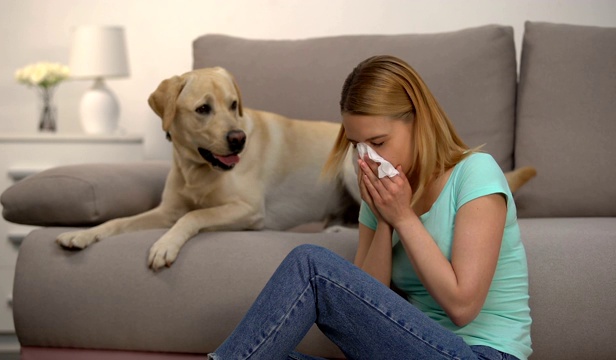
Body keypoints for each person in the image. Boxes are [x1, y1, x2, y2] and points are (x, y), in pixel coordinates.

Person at [208, 55, 532, 360]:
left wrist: (403, 217)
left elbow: (463, 307)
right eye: (356, 146)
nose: (367, 159)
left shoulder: (476, 172)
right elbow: (362, 312)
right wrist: (383, 218)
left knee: (311, 263)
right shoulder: (380, 194)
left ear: (419, 122)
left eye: (378, 143)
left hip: (481, 353)